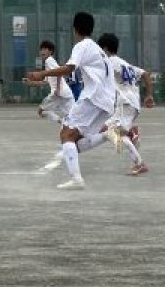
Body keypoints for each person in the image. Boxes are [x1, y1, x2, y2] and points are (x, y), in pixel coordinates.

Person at [24, 11, 115, 190]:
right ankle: (108, 135)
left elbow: (68, 68)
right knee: (77, 140)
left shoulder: (82, 45)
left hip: (93, 97)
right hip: (107, 101)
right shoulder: (98, 49)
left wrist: (41, 73)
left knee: (66, 134)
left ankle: (76, 179)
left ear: (75, 29)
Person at [98, 31, 155, 176]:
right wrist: (148, 95)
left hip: (125, 103)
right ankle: (131, 132)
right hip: (132, 104)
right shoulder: (125, 64)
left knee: (110, 130)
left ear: (104, 49)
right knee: (111, 130)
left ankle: (139, 163)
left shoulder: (110, 62)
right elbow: (146, 75)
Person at [23, 40, 73, 131]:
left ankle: (63, 123)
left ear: (50, 51)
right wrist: (30, 82)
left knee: (42, 111)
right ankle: (66, 124)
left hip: (58, 93)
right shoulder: (48, 65)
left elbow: (59, 72)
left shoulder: (49, 60)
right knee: (75, 117)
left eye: (45, 49)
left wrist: (57, 89)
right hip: (65, 93)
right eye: (41, 49)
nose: (42, 51)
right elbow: (45, 82)